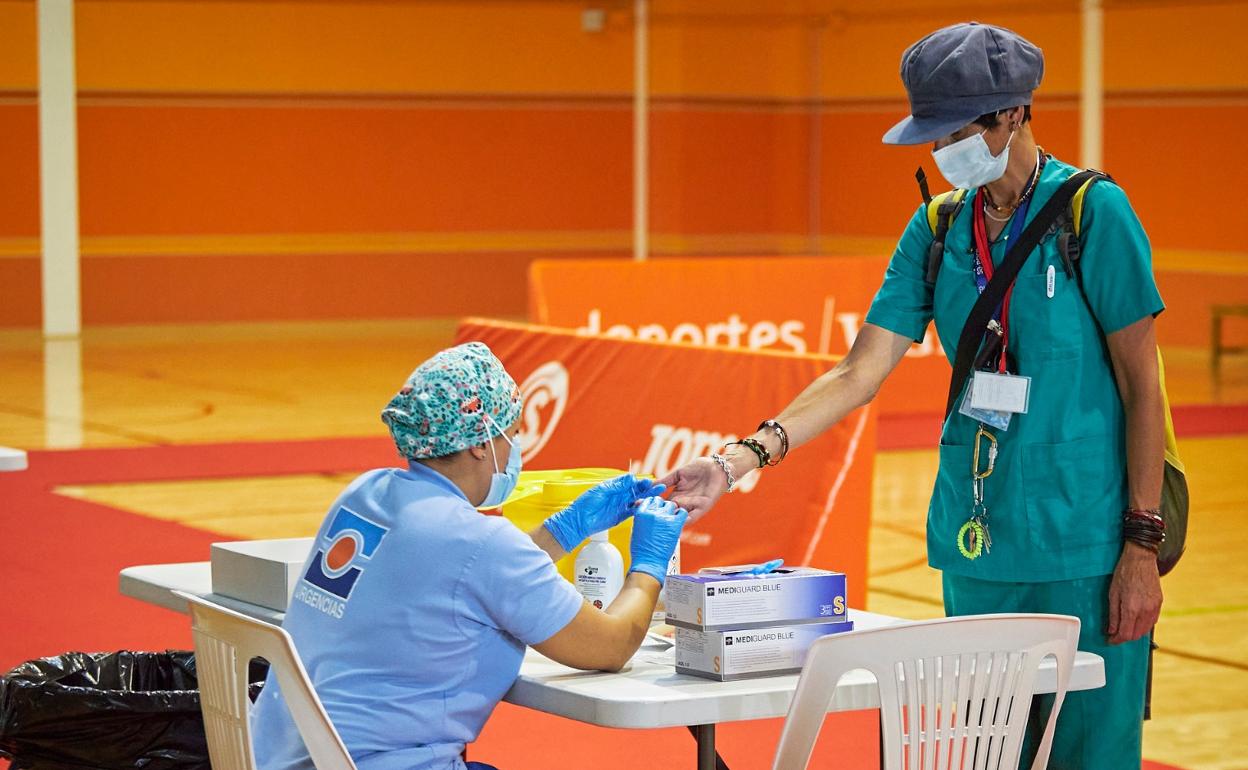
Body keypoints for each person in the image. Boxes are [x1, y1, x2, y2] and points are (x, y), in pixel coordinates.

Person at [660, 22, 1163, 770]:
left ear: (1015, 113)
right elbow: (856, 374)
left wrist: (1140, 547)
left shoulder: (1094, 215)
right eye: (932, 135)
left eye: (956, 131)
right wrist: (739, 459)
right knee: (992, 755)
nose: (943, 151)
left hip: (1085, 545)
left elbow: (1143, 388)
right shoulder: (938, 229)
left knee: (1090, 755)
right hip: (976, 541)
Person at [250, 342, 687, 770]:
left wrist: (566, 529)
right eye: (512, 435)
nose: (515, 449)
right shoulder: (482, 545)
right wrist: (648, 564)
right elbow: (610, 646)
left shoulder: (364, 493)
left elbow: (464, 574)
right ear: (481, 443)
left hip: (285, 757)